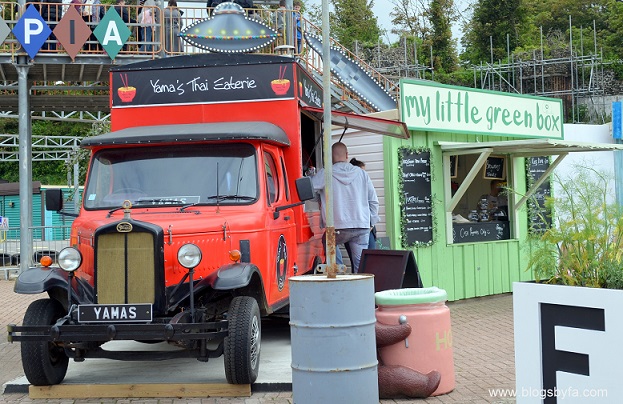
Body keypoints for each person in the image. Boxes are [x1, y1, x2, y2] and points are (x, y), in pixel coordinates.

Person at [311, 142, 380, 274]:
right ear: (347, 155)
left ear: (330, 157)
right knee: (360, 267)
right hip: (361, 226)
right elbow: (374, 201)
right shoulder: (362, 174)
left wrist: (320, 195)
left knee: (328, 241)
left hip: (336, 228)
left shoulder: (326, 173)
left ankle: (338, 271)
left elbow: (308, 191)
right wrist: (370, 223)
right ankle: (359, 291)